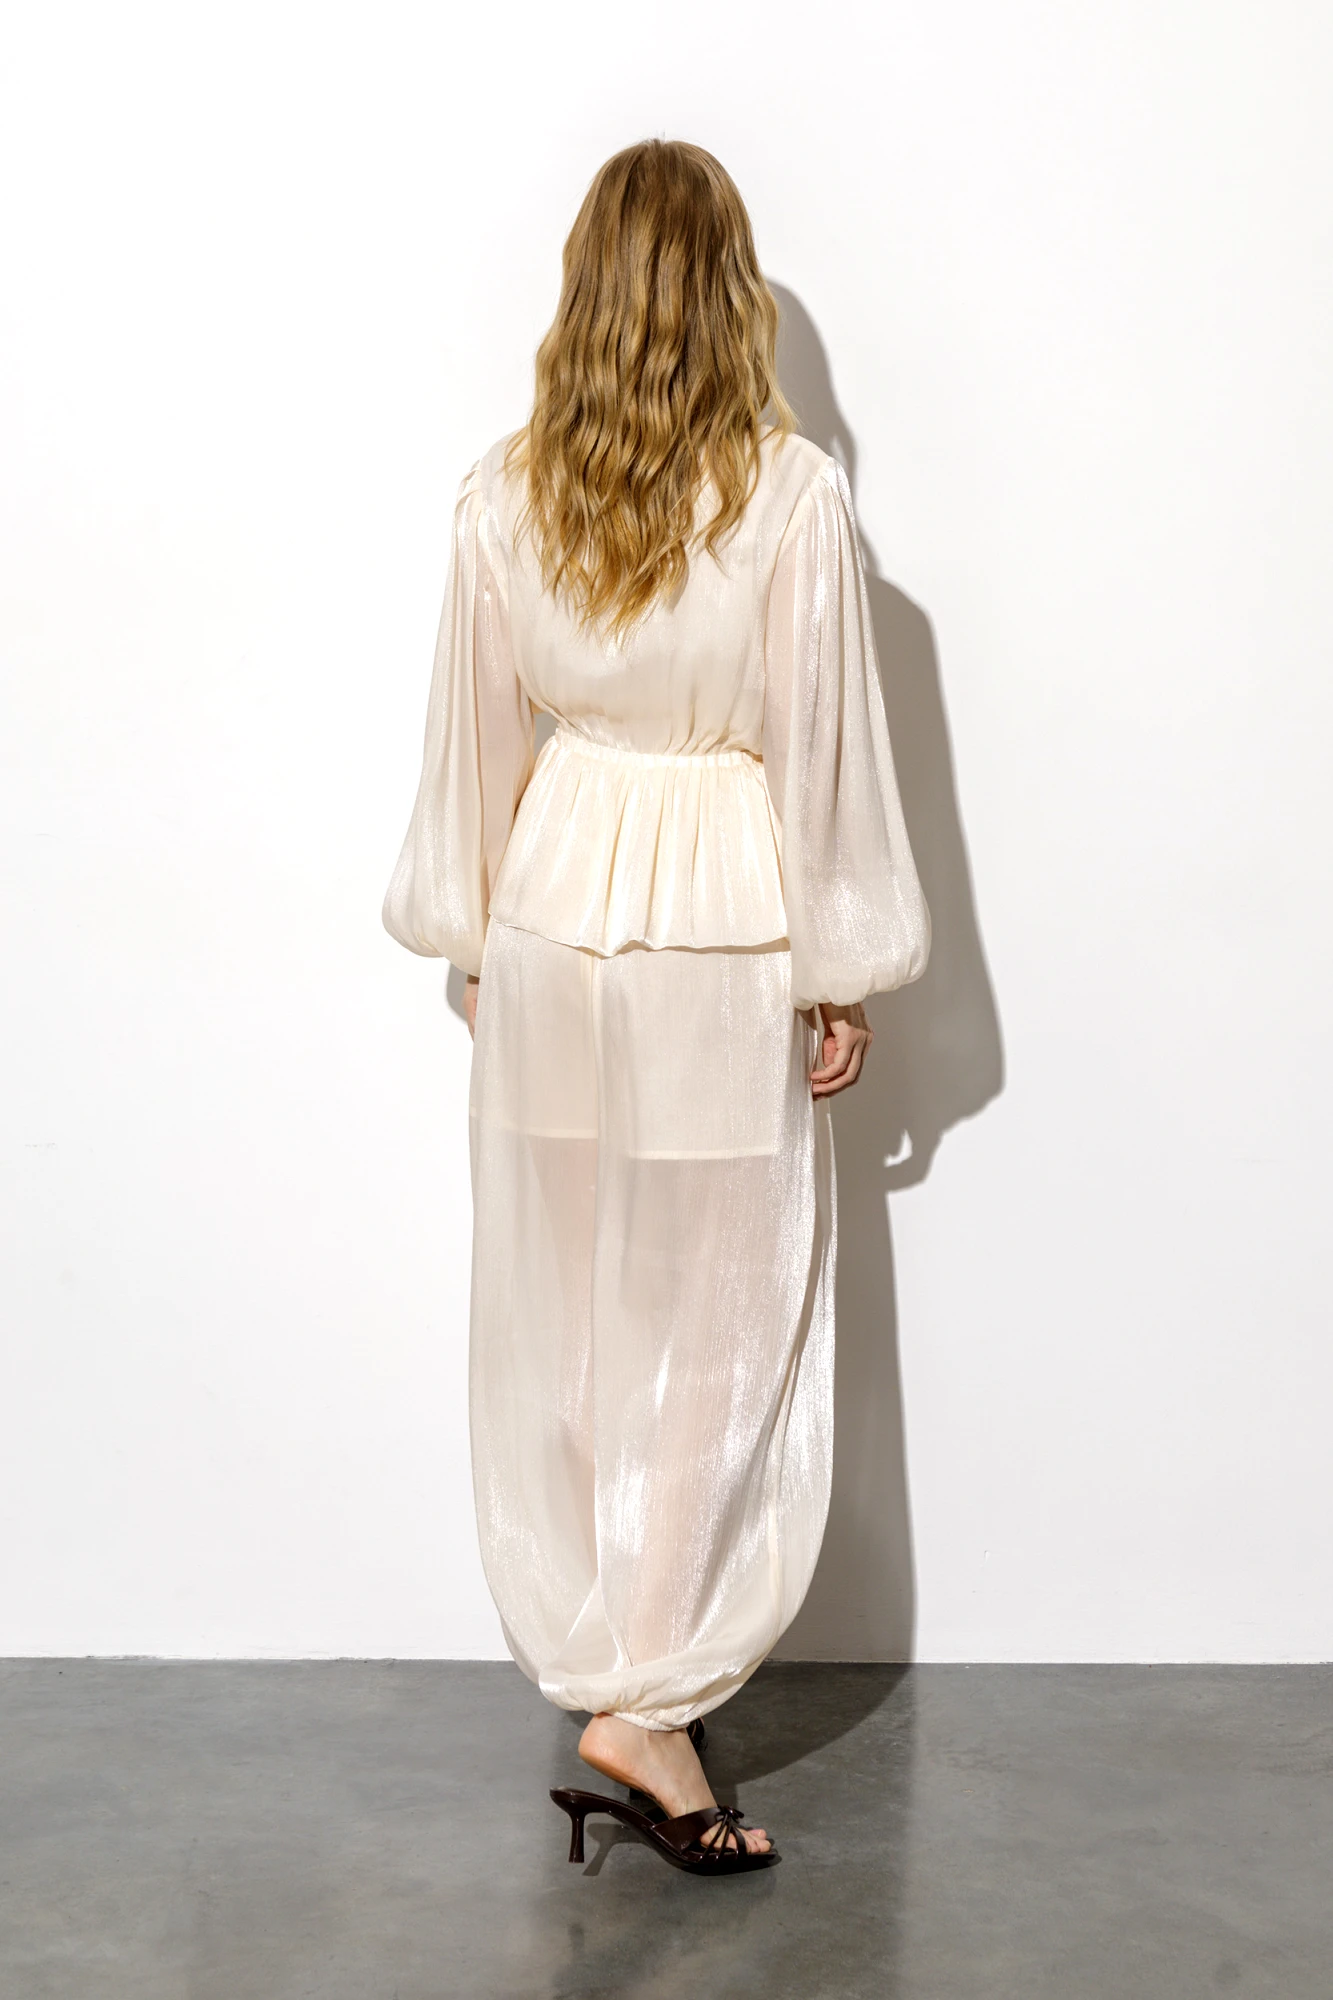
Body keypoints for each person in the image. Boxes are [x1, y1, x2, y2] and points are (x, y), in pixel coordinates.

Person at [383, 138, 929, 1874]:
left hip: (550, 931)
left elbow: (472, 743)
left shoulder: (502, 495)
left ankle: (614, 1669)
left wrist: (479, 944)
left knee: (572, 1309)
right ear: (729, 292)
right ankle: (651, 1699)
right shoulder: (790, 497)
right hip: (715, 938)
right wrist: (838, 970)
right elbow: (819, 749)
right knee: (718, 1321)